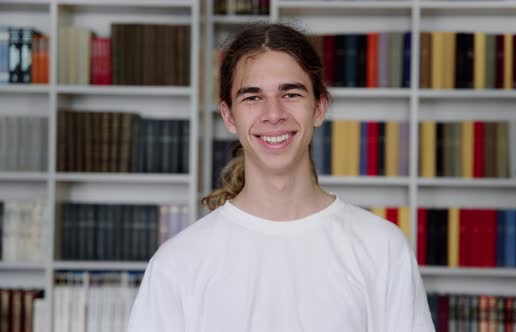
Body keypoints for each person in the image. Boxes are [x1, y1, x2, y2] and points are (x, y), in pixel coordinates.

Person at [128, 23, 434, 332]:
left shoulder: (382, 248)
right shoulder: (177, 263)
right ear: (229, 116)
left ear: (319, 107)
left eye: (290, 93)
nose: (273, 114)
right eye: (252, 97)